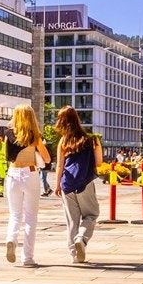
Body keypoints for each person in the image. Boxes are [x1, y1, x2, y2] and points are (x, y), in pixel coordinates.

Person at [5, 104, 50, 268]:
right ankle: (27, 258)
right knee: (31, 218)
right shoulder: (34, 136)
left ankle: (11, 239)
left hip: (12, 174)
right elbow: (47, 159)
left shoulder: (8, 134)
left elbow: (7, 156)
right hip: (29, 174)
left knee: (15, 214)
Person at [54, 107, 101, 264]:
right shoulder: (92, 139)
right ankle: (82, 238)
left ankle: (75, 255)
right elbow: (99, 163)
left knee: (72, 221)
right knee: (91, 214)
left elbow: (59, 166)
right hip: (85, 183)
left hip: (67, 183)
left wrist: (57, 185)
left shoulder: (63, 141)